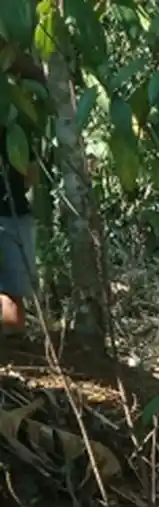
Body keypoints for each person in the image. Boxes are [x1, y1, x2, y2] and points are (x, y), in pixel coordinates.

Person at [1, 50, 46, 333]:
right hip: (13, 214)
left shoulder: (19, 130)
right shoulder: (19, 129)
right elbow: (31, 176)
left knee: (11, 302)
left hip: (11, 215)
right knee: (11, 298)